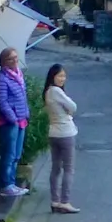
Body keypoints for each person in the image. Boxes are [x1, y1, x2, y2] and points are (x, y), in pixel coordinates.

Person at [0, 47, 30, 198]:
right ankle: (5, 184)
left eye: (16, 57)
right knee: (9, 153)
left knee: (16, 154)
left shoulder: (18, 75)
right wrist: (13, 118)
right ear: (3, 62)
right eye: (10, 58)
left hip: (21, 119)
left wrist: (25, 114)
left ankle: (12, 183)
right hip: (10, 122)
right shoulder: (2, 78)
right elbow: (2, 102)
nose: (14, 60)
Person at [43, 63, 80, 214]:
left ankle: (55, 200)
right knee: (69, 168)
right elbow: (73, 106)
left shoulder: (47, 92)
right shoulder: (56, 91)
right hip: (66, 133)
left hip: (53, 133)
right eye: (59, 76)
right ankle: (64, 201)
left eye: (64, 76)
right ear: (53, 77)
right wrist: (69, 111)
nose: (62, 79)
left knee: (56, 168)